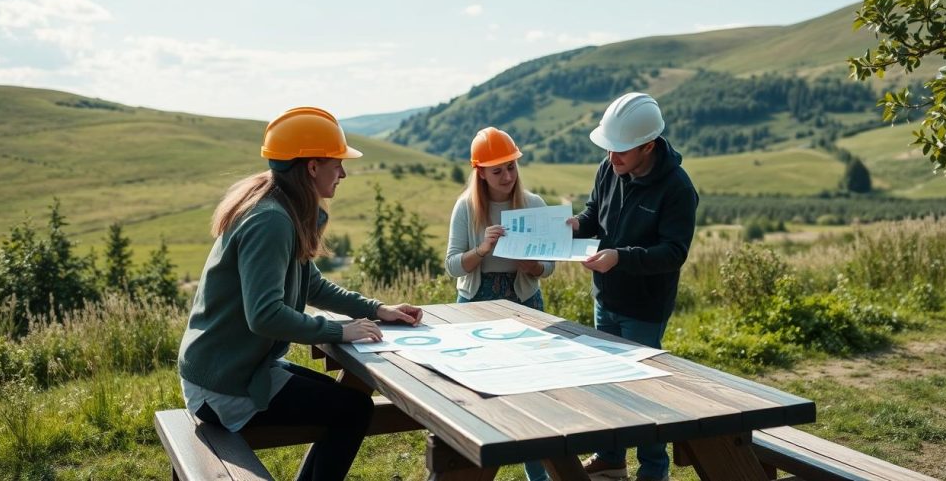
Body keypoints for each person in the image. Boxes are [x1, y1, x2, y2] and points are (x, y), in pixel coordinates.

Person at [177, 106, 423, 481]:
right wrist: (340, 331)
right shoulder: (271, 220)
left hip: (235, 369)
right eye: (337, 162)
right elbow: (265, 316)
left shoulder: (283, 207)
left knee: (347, 403)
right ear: (311, 166)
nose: (342, 172)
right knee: (353, 410)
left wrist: (377, 309)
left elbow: (312, 285)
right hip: (221, 386)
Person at [567, 93, 698, 481]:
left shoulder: (677, 188)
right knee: (605, 380)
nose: (612, 158)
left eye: (621, 151)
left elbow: (674, 252)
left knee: (642, 391)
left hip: (644, 307)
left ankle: (654, 471)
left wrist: (621, 257)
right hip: (604, 297)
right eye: (608, 149)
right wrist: (575, 225)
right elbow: (594, 212)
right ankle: (610, 459)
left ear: (648, 146)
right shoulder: (610, 167)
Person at [444, 126, 554, 481]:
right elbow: (451, 265)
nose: (507, 176)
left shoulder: (533, 204)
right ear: (481, 173)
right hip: (476, 301)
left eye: (511, 167)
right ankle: (471, 469)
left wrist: (531, 265)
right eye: (498, 170)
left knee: (533, 391)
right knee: (479, 393)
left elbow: (548, 266)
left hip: (524, 298)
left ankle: (538, 474)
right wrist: (482, 250)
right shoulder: (466, 207)